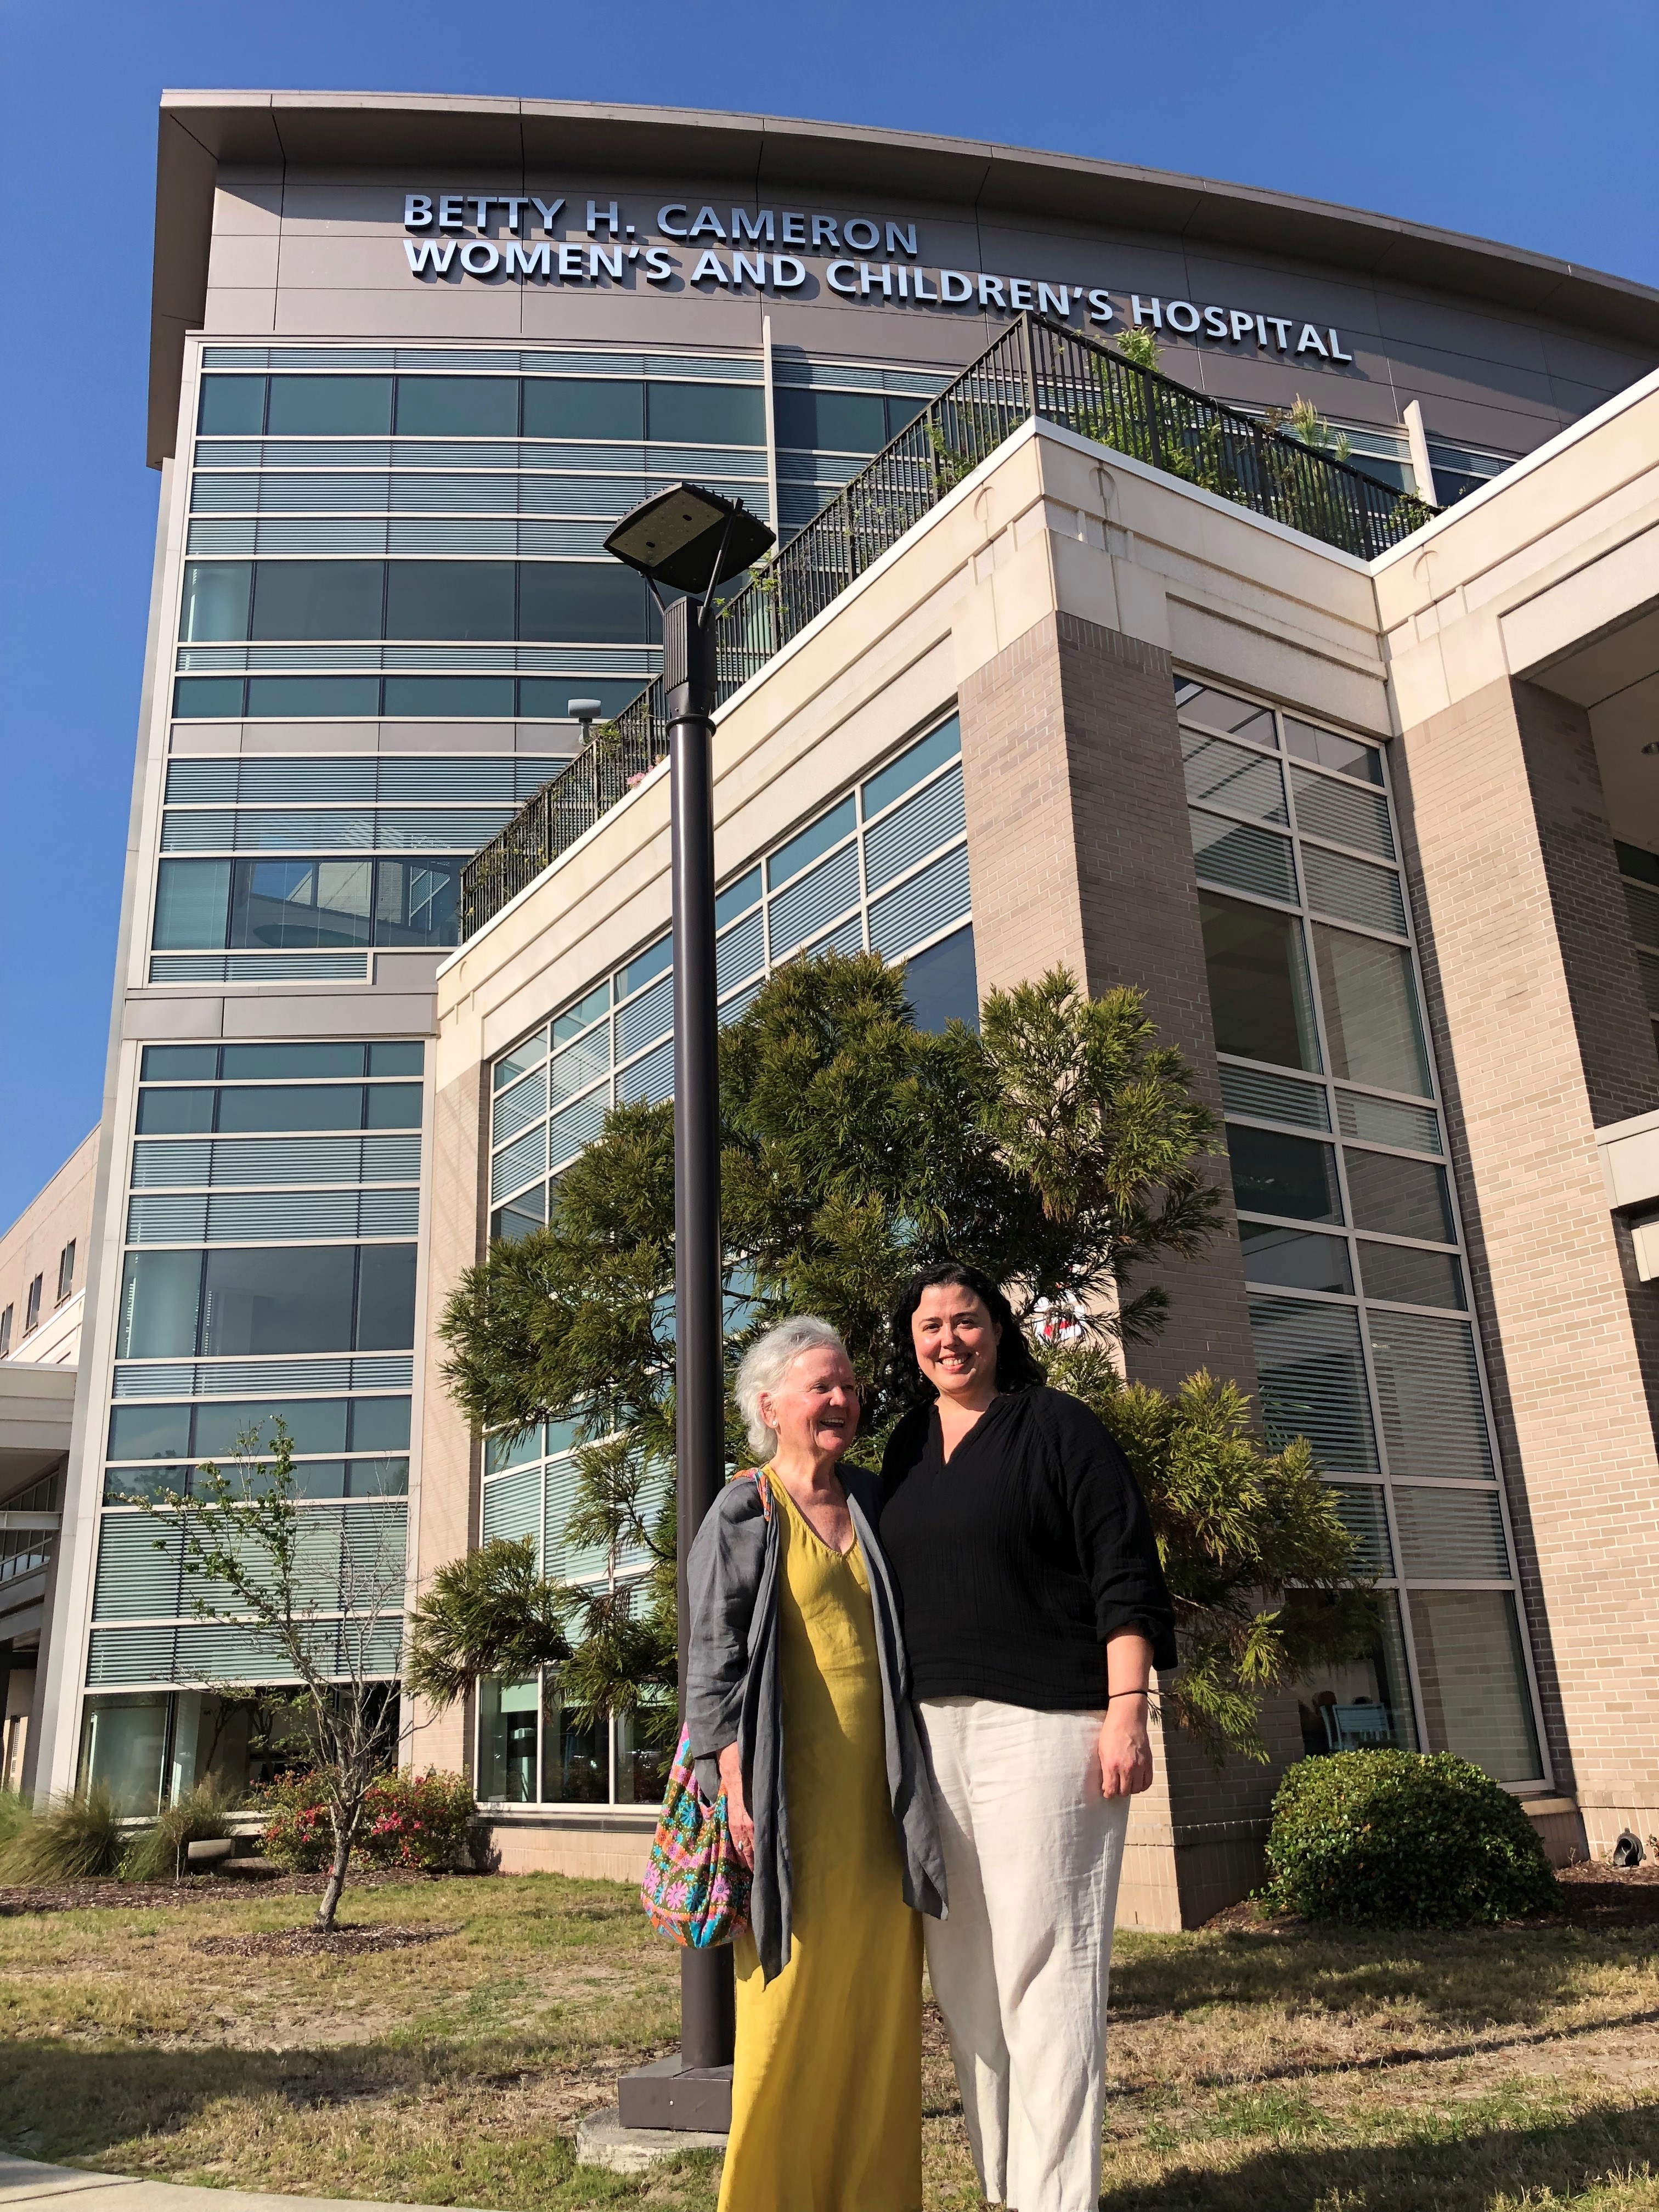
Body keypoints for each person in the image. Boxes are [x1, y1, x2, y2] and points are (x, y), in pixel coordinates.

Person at [878, 1260, 1177, 2212]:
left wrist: (1127, 1709)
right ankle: (1006, 2186)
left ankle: (1057, 2200)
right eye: (929, 1328)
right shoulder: (905, 1447)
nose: (948, 1341)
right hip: (932, 1737)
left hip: (1046, 1728)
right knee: (964, 1980)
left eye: (965, 1321)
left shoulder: (1059, 1428)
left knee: (1048, 1971)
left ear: (998, 1329)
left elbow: (1123, 1569)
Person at [684, 1314, 946, 2212]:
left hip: (883, 1805)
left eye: (849, 1386)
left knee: (877, 2020)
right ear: (770, 1405)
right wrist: (732, 1780)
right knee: (786, 2017)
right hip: (788, 1802)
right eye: (820, 1387)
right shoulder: (745, 1507)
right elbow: (710, 1662)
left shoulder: (873, 1499)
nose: (841, 1401)